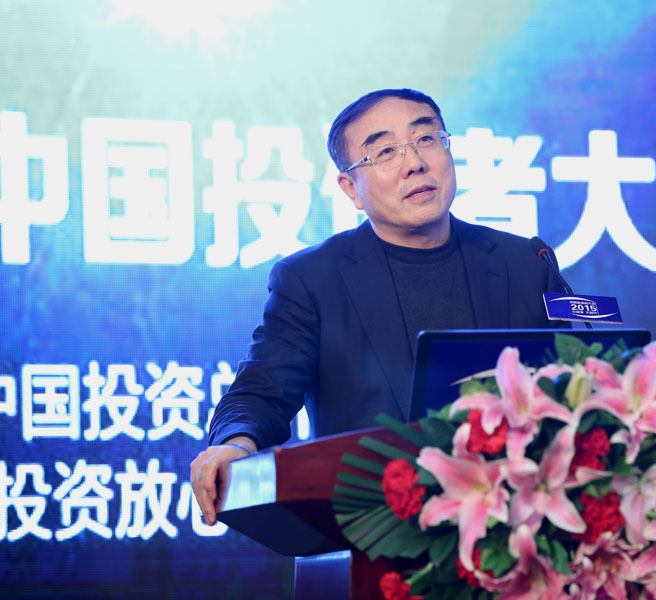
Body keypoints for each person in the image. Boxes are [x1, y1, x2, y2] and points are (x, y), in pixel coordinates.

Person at [190, 89, 565, 525]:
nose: (415, 163)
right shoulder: (313, 279)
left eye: (426, 139)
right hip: (377, 528)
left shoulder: (525, 262)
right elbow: (263, 388)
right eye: (385, 152)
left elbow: (580, 379)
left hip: (520, 524)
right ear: (351, 188)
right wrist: (236, 443)